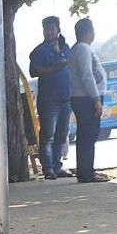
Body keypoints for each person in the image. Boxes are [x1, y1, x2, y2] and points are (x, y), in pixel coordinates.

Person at [28, 15, 72, 179]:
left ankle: (57, 165)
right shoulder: (39, 51)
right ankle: (48, 168)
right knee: (47, 135)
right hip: (49, 99)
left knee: (62, 134)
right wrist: (54, 68)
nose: (49, 32)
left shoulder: (65, 47)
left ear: (58, 30)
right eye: (46, 29)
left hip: (65, 96)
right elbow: (34, 71)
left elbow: (71, 64)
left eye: (52, 29)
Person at [67, 17, 109, 183]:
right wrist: (96, 99)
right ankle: (86, 173)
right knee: (88, 135)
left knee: (87, 135)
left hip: (82, 97)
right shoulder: (83, 49)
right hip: (86, 98)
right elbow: (87, 75)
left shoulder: (78, 49)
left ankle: (86, 170)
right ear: (89, 32)